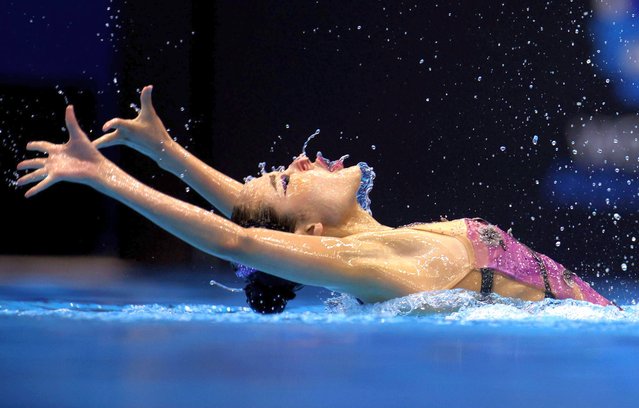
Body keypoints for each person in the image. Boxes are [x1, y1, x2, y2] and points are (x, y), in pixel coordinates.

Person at [16, 86, 616, 314]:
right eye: (286, 177)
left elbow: (251, 214)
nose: (299, 161)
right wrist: (105, 177)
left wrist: (168, 151)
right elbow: (241, 238)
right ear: (308, 236)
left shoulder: (386, 240)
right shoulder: (378, 267)